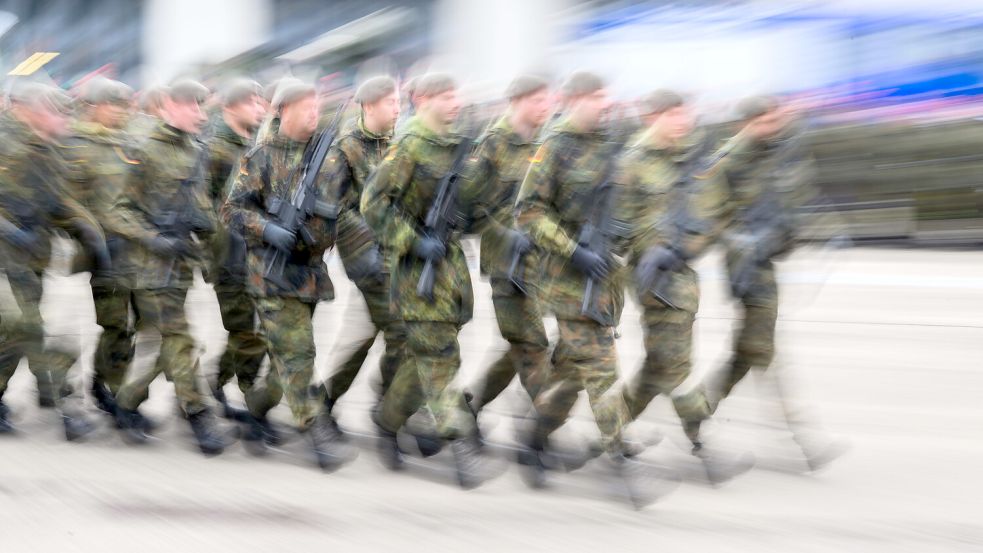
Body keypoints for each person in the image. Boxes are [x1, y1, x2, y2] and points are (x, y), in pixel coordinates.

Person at [513, 71, 669, 507]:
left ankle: (533, 437)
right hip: (566, 282)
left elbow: (627, 204)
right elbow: (527, 213)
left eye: (607, 96)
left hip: (603, 278)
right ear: (575, 99)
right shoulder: (555, 147)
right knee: (602, 369)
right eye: (597, 97)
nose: (605, 104)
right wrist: (570, 249)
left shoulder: (612, 143)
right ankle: (622, 460)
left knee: (569, 376)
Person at [616, 89, 753, 484]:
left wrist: (684, 247)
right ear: (652, 116)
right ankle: (701, 443)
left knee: (658, 366)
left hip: (683, 276)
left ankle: (610, 430)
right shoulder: (632, 162)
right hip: (651, 278)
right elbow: (618, 227)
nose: (683, 120)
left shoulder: (695, 161)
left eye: (685, 113)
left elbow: (713, 218)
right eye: (673, 113)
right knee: (675, 367)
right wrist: (650, 250)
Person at [360, 73, 487, 489]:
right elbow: (373, 204)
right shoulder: (410, 146)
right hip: (419, 271)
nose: (456, 102)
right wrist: (413, 241)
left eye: (457, 94)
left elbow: (468, 207)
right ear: (424, 100)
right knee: (438, 360)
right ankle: (459, 440)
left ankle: (386, 420)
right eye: (447, 96)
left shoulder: (457, 146)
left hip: (449, 268)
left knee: (423, 360)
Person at [222, 80, 356, 468]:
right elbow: (231, 210)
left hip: (309, 272)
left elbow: (343, 209)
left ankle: (256, 411)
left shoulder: (329, 157)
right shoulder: (261, 155)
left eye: (317, 105)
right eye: (305, 106)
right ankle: (316, 432)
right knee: (298, 353)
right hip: (270, 272)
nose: (315, 112)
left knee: (286, 361)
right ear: (284, 111)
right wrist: (267, 229)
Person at [709, 95, 843, 470]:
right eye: (766, 122)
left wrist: (825, 230)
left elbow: (793, 200)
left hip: (766, 262)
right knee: (763, 351)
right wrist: (742, 241)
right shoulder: (728, 161)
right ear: (746, 123)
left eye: (776, 121)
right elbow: (710, 216)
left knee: (749, 354)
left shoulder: (771, 153)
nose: (774, 128)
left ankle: (699, 411)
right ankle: (802, 436)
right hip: (745, 269)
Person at [109, 79, 230, 456]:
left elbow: (202, 209)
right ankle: (199, 415)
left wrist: (213, 255)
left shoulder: (196, 150)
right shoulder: (143, 150)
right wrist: (152, 238)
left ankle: (126, 402)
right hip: (149, 265)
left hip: (181, 262)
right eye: (192, 105)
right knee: (180, 339)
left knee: (169, 345)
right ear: (168, 106)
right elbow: (116, 210)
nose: (200, 112)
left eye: (202, 105)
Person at [0, 81, 110, 440]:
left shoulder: (48, 148)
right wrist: (9, 230)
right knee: (30, 327)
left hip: (30, 258)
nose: (65, 119)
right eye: (56, 111)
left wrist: (87, 230)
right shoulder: (6, 141)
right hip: (5, 258)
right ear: (30, 110)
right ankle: (68, 407)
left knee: (14, 334)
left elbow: (58, 201)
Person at [464, 75, 553, 429]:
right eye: (537, 100)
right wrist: (501, 232)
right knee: (531, 345)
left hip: (542, 261)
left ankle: (472, 404)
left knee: (522, 344)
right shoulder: (492, 144)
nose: (545, 107)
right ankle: (545, 430)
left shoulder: (546, 141)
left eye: (547, 100)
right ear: (516, 101)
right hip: (507, 263)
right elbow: (469, 207)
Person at [318, 76, 406, 418]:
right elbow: (333, 208)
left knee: (366, 332)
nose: (398, 109)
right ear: (369, 106)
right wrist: (368, 242)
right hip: (366, 258)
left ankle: (327, 397)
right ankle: (388, 404)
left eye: (399, 102)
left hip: (396, 255)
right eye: (390, 103)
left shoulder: (397, 144)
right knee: (400, 330)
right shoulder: (346, 148)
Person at [61, 77, 140, 418]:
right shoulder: (75, 146)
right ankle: (106, 389)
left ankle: (104, 380)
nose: (122, 111)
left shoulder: (128, 142)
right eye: (115, 105)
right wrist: (91, 233)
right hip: (104, 252)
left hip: (135, 248)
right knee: (115, 323)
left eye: (125, 105)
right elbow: (66, 201)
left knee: (131, 324)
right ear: (94, 107)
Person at [202, 78, 271, 430]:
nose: (260, 107)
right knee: (246, 332)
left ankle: (214, 383)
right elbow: (202, 204)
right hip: (228, 254)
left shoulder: (254, 145)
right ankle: (245, 395)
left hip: (253, 253)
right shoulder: (215, 149)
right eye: (252, 102)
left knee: (249, 330)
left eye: (261, 101)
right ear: (230, 107)